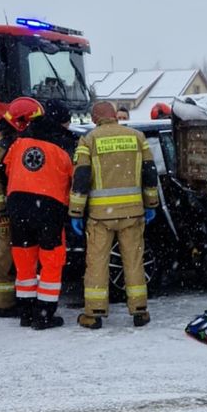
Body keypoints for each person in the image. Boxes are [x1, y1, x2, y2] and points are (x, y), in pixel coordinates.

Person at [68, 99, 159, 329]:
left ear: (95, 119)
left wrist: (76, 212)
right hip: (132, 213)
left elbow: (81, 178)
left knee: (97, 264)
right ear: (115, 116)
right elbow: (150, 173)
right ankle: (139, 311)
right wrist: (151, 204)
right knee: (134, 262)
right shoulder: (137, 137)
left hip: (100, 216)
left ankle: (95, 313)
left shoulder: (89, 140)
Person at [3, 99, 75, 329]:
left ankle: (26, 312)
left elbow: (5, 169)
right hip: (49, 208)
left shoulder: (19, 141)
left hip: (17, 205)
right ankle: (44, 314)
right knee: (51, 261)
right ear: (63, 123)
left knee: (24, 260)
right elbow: (76, 178)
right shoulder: (65, 144)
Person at [0, 97, 45, 318]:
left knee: (16, 255)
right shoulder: (1, 145)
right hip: (4, 212)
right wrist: (1, 212)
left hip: (15, 208)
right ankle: (1, 304)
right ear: (22, 122)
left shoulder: (13, 140)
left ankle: (13, 299)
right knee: (5, 256)